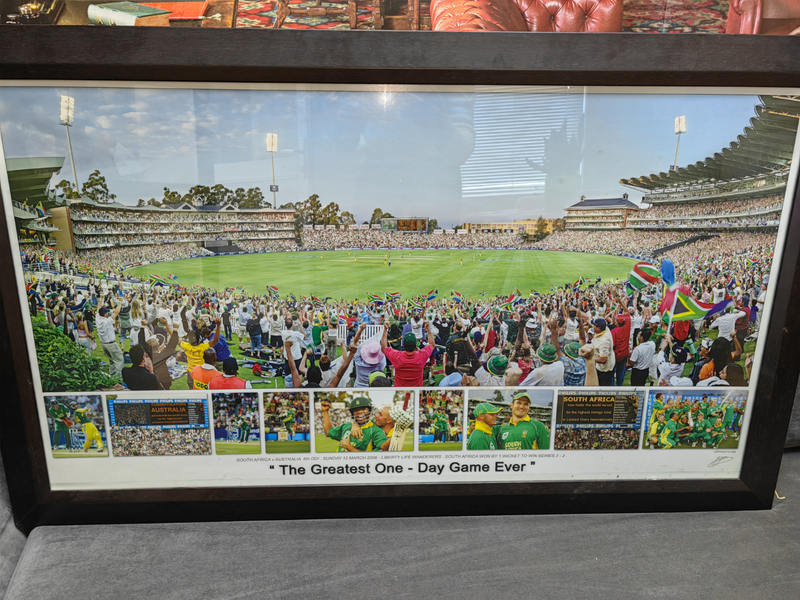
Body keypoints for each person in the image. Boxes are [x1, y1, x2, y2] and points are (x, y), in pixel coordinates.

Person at [320, 396, 388, 452]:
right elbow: (328, 432)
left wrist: (348, 447)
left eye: (364, 408)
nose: (360, 411)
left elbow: (379, 452)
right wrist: (325, 411)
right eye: (356, 409)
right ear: (352, 413)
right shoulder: (347, 425)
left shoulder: (375, 429)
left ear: (370, 411)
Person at [381, 321, 436, 387]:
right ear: (416, 344)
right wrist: (428, 329)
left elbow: (384, 348)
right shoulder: (421, 355)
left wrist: (385, 330)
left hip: (400, 393)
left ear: (403, 344)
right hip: (416, 392)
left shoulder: (397, 356)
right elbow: (432, 345)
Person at [96, 297, 124, 379]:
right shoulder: (106, 320)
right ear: (105, 314)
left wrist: (101, 299)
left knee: (112, 360)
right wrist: (120, 303)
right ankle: (118, 377)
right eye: (107, 313)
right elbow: (116, 312)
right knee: (119, 360)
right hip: (110, 343)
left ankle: (112, 375)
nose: (108, 314)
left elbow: (98, 308)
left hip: (103, 344)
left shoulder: (97, 318)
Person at [591, 318, 615, 386]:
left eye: (594, 325)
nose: (592, 326)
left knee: (603, 387)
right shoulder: (605, 329)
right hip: (607, 362)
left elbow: (603, 359)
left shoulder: (604, 342)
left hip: (604, 369)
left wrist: (589, 358)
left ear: (598, 328)